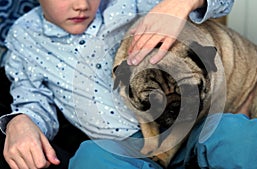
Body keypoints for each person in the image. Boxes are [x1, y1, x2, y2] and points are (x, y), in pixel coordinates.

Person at [0, 0, 235, 168]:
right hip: (125, 150)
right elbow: (33, 100)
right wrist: (19, 121)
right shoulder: (24, 38)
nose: (81, 5)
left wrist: (182, 3)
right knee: (90, 158)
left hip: (189, 123)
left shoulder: (128, 4)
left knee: (241, 133)